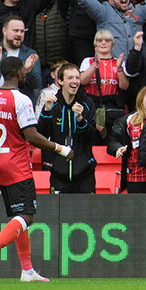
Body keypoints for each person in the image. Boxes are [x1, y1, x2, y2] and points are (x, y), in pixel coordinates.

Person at [0, 57, 75, 283]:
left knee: (19, 215)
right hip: (17, 163)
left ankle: (27, 270)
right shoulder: (21, 99)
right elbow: (31, 136)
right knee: (27, 215)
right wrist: (60, 149)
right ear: (18, 73)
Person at [38, 63, 97, 193]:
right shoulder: (52, 104)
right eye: (70, 78)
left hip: (84, 173)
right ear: (60, 81)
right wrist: (46, 111)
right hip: (58, 172)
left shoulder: (87, 103)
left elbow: (92, 137)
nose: (75, 81)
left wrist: (80, 119)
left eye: (77, 77)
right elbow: (41, 135)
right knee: (58, 213)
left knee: (87, 212)